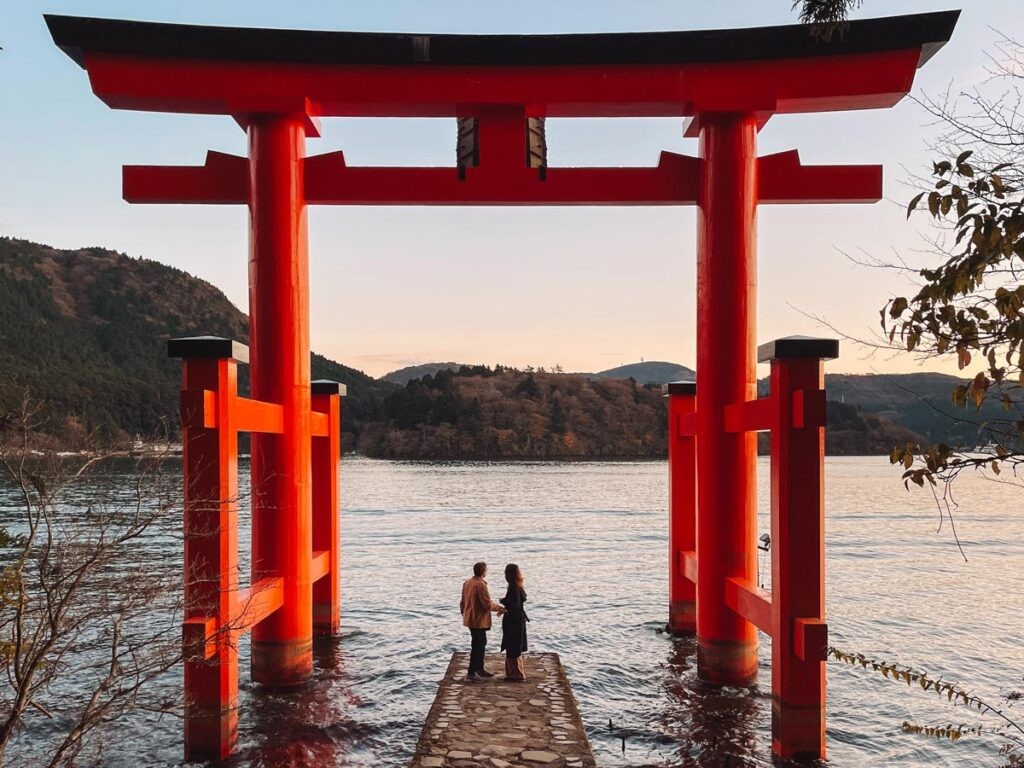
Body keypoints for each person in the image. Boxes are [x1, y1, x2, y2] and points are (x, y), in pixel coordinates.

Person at [460, 561, 504, 682]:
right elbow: (487, 604)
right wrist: (501, 609)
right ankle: (472, 672)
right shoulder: (480, 585)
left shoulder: (467, 582)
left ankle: (479, 669)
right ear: (484, 572)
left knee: (479, 643)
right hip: (478, 620)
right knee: (478, 645)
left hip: (470, 618)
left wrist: (464, 614)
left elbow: (462, 601)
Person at [499, 563, 529, 682]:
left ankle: (516, 674)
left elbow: (514, 605)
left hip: (513, 622)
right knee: (515, 647)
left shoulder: (513, 587)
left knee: (512, 646)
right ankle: (515, 673)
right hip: (518, 620)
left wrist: (503, 602)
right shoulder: (519, 586)